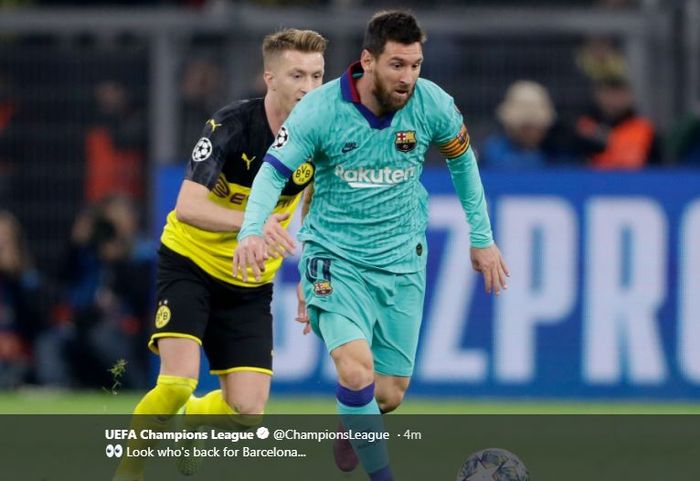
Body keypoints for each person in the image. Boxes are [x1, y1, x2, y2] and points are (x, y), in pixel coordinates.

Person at [233, 11, 508, 481]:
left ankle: (351, 420)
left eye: (416, 65)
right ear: (368, 60)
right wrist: (250, 230)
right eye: (397, 65)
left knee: (389, 393)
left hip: (402, 261)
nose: (408, 78)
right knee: (357, 371)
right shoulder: (320, 111)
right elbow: (274, 171)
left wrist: (482, 239)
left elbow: (464, 165)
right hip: (334, 259)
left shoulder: (433, 106)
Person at [113, 28, 327, 481]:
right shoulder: (232, 125)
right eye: (296, 75)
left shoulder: (322, 135)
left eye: (317, 75)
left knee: (247, 412)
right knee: (176, 382)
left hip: (249, 282)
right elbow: (187, 206)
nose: (309, 87)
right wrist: (253, 223)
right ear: (269, 77)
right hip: (190, 263)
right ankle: (129, 471)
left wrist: (310, 279)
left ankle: (193, 421)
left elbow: (313, 204)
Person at [575, 75, 661, 169]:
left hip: (633, 181)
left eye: (619, 93)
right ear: (598, 95)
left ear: (629, 96)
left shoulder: (645, 130)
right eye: (608, 93)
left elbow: (660, 166)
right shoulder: (583, 127)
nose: (613, 99)